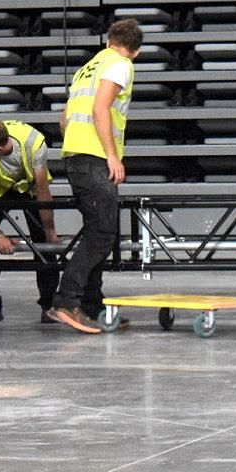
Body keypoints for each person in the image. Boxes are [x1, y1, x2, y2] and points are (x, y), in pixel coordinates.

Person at [48, 19, 144, 334]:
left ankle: (92, 305)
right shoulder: (120, 65)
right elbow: (100, 109)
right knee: (103, 234)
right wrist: (112, 156)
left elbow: (64, 121)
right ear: (137, 51)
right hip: (95, 158)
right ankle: (66, 301)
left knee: (96, 231)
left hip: (75, 156)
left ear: (108, 40)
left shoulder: (87, 68)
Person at [0, 119, 60, 325]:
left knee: (45, 241)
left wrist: (50, 231)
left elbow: (43, 192)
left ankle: (49, 305)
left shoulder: (34, 144)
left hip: (29, 188)